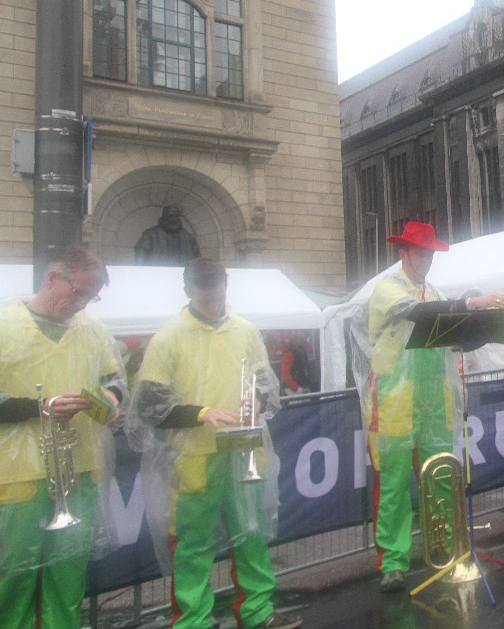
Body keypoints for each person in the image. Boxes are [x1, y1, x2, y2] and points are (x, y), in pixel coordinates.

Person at [128, 258, 300, 629]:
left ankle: (258, 611)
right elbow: (149, 406)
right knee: (192, 544)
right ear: (188, 292)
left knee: (251, 534)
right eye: (204, 299)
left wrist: (258, 400)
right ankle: (193, 621)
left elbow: (265, 383)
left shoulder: (246, 330)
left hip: (244, 448)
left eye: (218, 297)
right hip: (195, 457)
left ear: (226, 287)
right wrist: (202, 413)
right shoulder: (168, 337)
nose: (212, 305)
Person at [353, 221, 504, 593]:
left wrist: (478, 329)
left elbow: (449, 335)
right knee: (394, 485)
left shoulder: (436, 291)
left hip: (433, 403)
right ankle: (393, 563)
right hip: (394, 402)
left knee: (440, 479)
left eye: (430, 254)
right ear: (403, 252)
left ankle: (444, 548)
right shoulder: (388, 288)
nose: (426, 259)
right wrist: (471, 303)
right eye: (420, 252)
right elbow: (415, 312)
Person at [0, 248, 125, 629]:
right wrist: (39, 408)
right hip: (17, 474)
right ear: (53, 278)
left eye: (91, 297)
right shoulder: (4, 324)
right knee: (13, 575)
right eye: (78, 292)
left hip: (80, 467)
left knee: (68, 577)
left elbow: (115, 378)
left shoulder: (92, 329)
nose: (82, 303)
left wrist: (112, 397)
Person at [134, 204, 201, 266]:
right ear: (164, 216)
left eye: (177, 216)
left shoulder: (189, 238)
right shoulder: (150, 234)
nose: (174, 219)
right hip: (157, 274)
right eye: (171, 216)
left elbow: (197, 260)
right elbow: (140, 260)